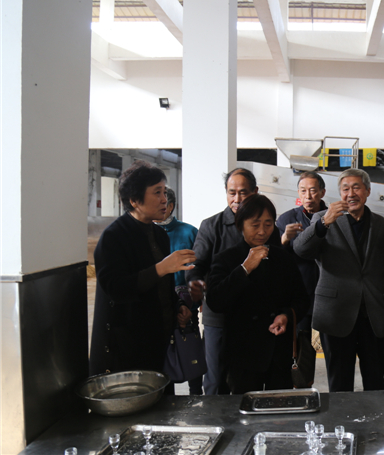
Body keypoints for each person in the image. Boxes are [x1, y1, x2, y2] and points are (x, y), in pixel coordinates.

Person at [90, 161, 194, 386]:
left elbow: (162, 287)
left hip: (159, 340)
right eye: (157, 193)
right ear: (134, 200)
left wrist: (178, 306)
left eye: (164, 192)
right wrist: (162, 267)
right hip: (128, 347)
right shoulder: (113, 237)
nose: (164, 199)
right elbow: (115, 288)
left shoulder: (159, 235)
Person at [293, 168, 384, 392]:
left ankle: (375, 415)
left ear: (367, 191)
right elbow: (301, 249)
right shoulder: (323, 219)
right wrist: (324, 223)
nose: (351, 194)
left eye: (356, 188)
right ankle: (341, 416)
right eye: (345, 189)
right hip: (336, 313)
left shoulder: (381, 225)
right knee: (339, 382)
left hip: (372, 314)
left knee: (375, 380)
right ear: (339, 193)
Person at [186, 168, 280, 395]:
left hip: (255, 317)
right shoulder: (211, 226)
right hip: (219, 315)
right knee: (216, 379)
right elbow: (197, 264)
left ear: (255, 192)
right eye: (232, 192)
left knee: (248, 379)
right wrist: (195, 282)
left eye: (243, 192)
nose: (237, 199)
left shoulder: (269, 229)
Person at [206, 195, 309, 393]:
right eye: (255, 225)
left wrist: (286, 315)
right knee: (243, 406)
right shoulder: (226, 259)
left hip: (278, 352)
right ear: (240, 224)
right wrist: (244, 268)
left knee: (278, 407)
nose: (262, 231)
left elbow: (302, 299)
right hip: (242, 354)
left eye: (268, 224)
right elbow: (215, 301)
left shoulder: (283, 258)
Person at [276, 171, 327, 386]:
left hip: (328, 294)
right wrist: (284, 239)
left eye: (313, 191)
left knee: (332, 346)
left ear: (322, 192)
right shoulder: (287, 219)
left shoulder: (333, 216)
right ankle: (303, 388)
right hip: (301, 293)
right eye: (303, 191)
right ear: (298, 193)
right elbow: (274, 257)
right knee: (302, 348)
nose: (308, 196)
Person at [155, 186, 203, 395]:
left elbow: (200, 266)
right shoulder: (148, 235)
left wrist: (199, 299)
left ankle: (196, 392)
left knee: (190, 348)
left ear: (171, 206)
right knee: (165, 353)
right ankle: (168, 396)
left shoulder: (189, 231)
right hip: (161, 305)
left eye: (163, 201)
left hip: (187, 305)